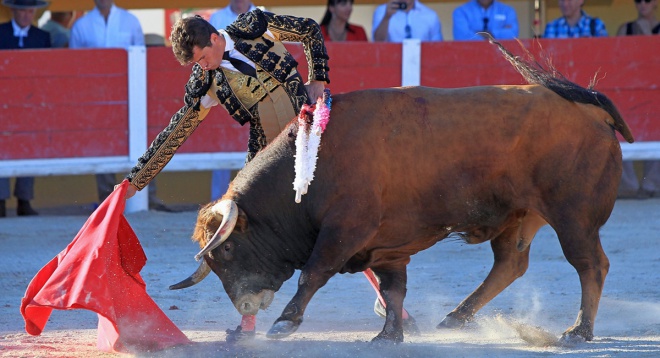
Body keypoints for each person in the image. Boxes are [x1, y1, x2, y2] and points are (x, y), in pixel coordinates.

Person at [119, 10, 329, 343]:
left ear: (215, 39)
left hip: (312, 135)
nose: (201, 66)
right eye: (195, 63)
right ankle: (248, 323)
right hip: (266, 158)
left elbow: (309, 30)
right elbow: (176, 131)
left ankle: (390, 305)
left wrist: (318, 78)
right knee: (245, 233)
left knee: (346, 211)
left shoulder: (253, 26)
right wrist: (136, 181)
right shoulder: (205, 80)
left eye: (203, 57)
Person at [68, 0, 169, 209]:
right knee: (104, 145)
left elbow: (140, 59)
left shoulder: (130, 21)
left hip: (131, 93)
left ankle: (148, 195)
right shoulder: (81, 25)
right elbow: (75, 65)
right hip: (96, 97)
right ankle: (108, 200)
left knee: (141, 142)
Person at [0, 0, 50, 218]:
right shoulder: (0, 33)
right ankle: (0, 202)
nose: (26, 15)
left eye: (30, 11)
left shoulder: (42, 37)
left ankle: (24, 200)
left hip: (30, 104)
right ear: (13, 11)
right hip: (2, 102)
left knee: (27, 147)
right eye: (22, 10)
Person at [208, 0, 258, 202]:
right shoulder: (216, 18)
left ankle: (253, 200)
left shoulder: (262, 15)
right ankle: (218, 200)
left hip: (257, 87)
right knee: (221, 144)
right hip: (225, 86)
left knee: (259, 147)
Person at [616, 0, 660, 198]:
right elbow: (615, 56)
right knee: (622, 131)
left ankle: (652, 185)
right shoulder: (625, 28)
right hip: (630, 88)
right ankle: (629, 187)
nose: (642, 4)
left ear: (656, 4)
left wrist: (648, 36)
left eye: (647, 1)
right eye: (638, 1)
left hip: (657, 88)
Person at [372, 0, 443, 42]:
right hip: (390, 63)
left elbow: (438, 48)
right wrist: (387, 17)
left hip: (424, 64)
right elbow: (377, 43)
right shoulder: (382, 11)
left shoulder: (430, 15)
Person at [452, 0, 519, 40]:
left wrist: (479, 33)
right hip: (470, 55)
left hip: (501, 56)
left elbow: (512, 34)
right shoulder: (461, 11)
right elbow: (461, 37)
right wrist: (497, 34)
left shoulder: (508, 11)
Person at [543, 0, 608, 38]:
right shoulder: (551, 27)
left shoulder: (596, 26)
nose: (565, 4)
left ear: (581, 1)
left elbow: (605, 56)